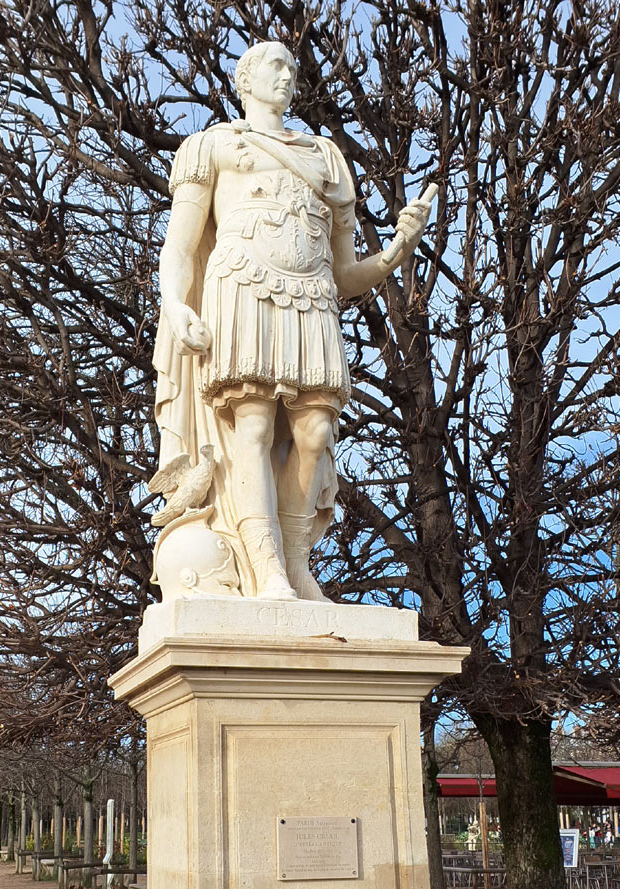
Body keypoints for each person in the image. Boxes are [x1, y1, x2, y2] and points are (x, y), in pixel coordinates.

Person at [152, 40, 433, 600]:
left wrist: (396, 253)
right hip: (243, 287)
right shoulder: (212, 147)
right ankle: (268, 566)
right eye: (274, 66)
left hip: (311, 298)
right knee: (252, 426)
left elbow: (344, 270)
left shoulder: (326, 159)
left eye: (292, 68)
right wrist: (175, 304)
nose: (287, 75)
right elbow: (180, 246)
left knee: (315, 431)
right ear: (246, 78)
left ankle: (298, 558)